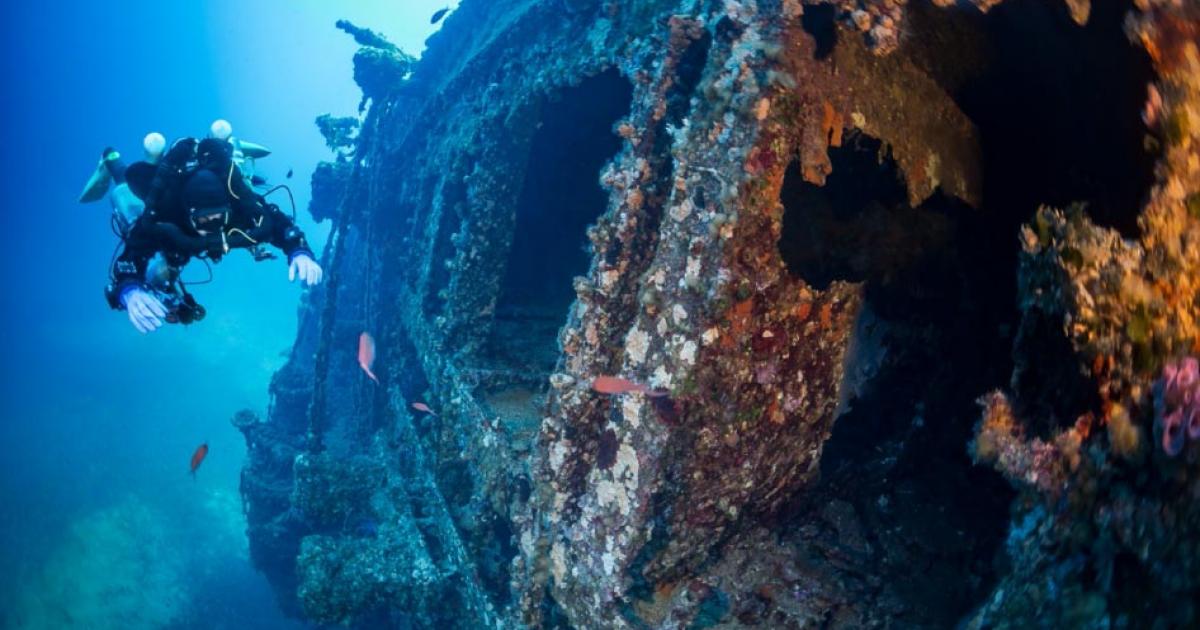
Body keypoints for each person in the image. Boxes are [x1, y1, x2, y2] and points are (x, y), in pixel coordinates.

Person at [95, 123, 323, 333]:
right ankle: (111, 159)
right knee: (126, 200)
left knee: (245, 183)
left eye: (219, 218)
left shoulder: (237, 209)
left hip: (219, 190)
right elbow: (131, 255)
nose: (214, 228)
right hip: (175, 215)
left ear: (227, 209)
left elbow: (276, 222)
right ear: (189, 214)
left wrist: (299, 250)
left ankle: (231, 149)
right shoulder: (169, 215)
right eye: (204, 221)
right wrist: (129, 290)